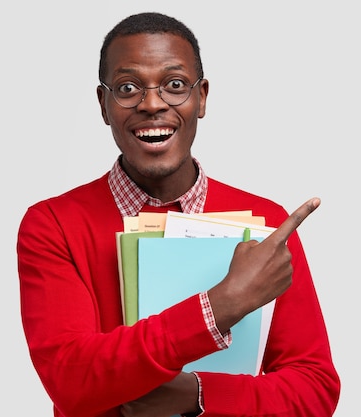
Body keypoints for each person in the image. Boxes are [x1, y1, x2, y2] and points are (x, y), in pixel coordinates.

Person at [17, 11, 340, 417]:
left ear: (201, 97)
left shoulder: (265, 223)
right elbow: (70, 381)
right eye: (128, 87)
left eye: (174, 85)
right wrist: (221, 305)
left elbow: (314, 391)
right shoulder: (53, 225)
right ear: (103, 104)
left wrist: (198, 394)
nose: (152, 104)